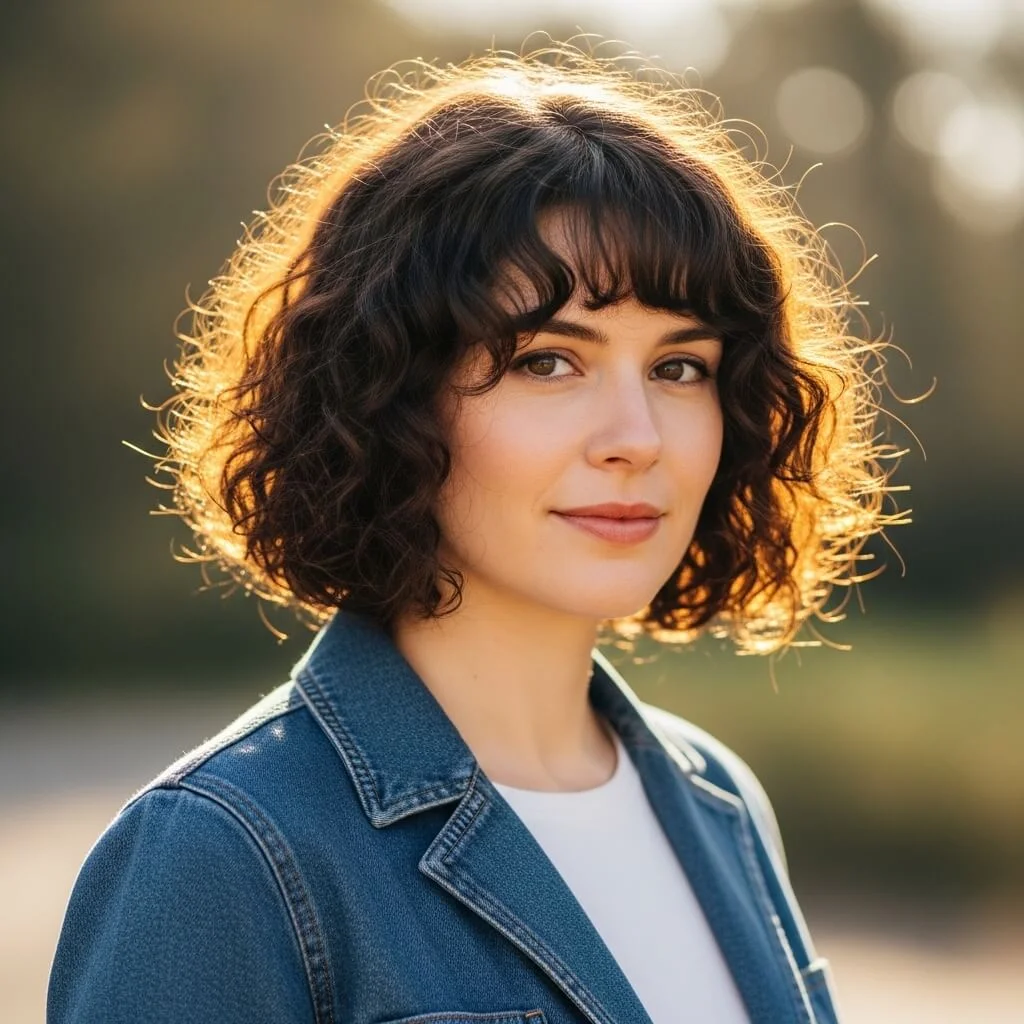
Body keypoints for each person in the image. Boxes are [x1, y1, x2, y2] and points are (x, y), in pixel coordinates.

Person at [48, 44, 900, 1024]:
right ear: (391, 397)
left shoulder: (723, 804)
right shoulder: (222, 851)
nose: (636, 438)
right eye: (546, 362)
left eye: (679, 368)